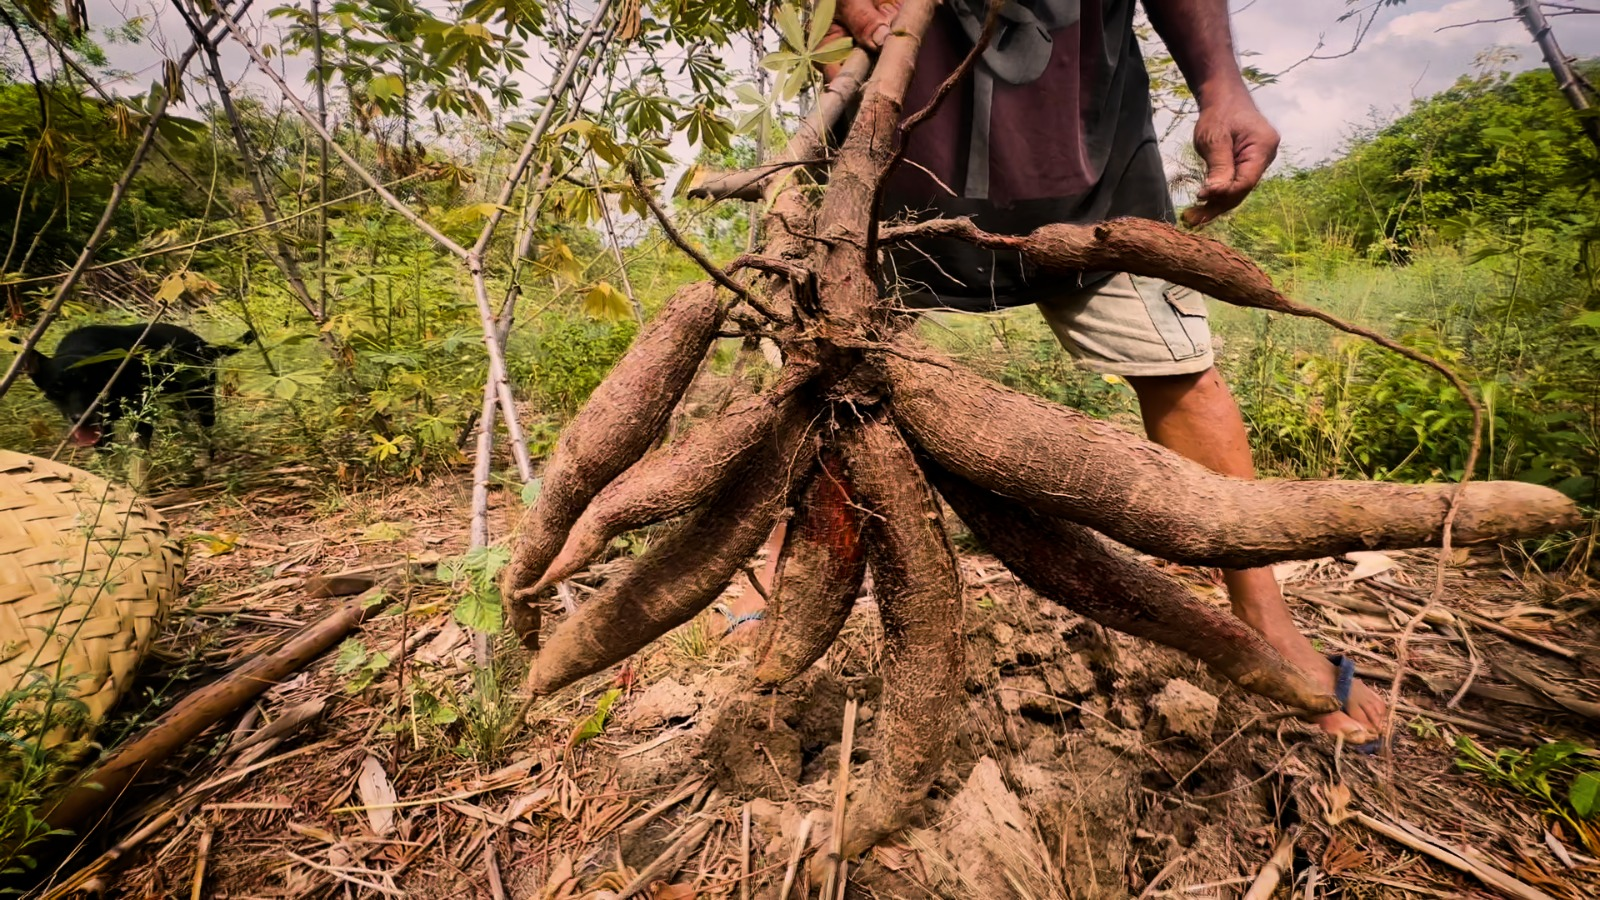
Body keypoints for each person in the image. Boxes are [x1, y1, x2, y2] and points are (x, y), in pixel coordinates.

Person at [719, 0, 1385, 746]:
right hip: (894, 144)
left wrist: (1220, 83)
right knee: (829, 366)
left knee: (1179, 368)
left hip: (1087, 151)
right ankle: (784, 571)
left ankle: (1263, 613)